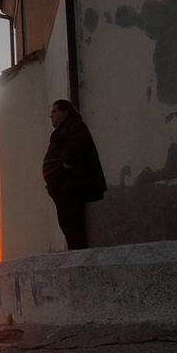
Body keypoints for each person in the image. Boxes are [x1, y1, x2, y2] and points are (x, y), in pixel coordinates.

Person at [43, 100, 106, 250]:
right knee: (68, 225)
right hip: (65, 188)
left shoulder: (74, 126)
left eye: (54, 112)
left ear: (66, 112)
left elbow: (78, 143)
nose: (50, 116)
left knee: (72, 226)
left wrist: (68, 162)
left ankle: (78, 256)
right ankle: (76, 253)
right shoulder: (66, 129)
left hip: (74, 187)